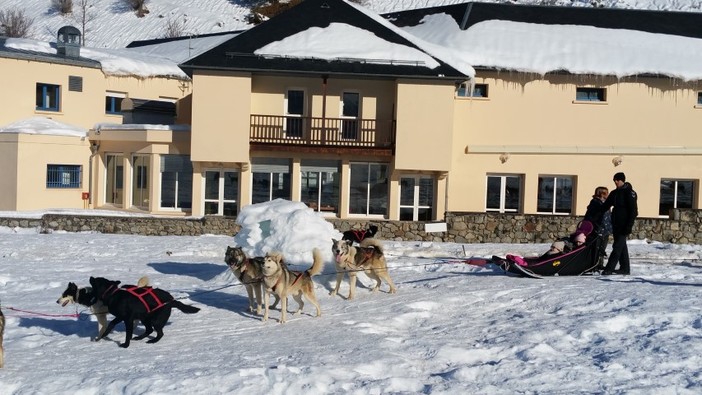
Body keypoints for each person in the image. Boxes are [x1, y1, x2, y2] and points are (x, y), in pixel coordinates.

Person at [600, 172, 638, 275]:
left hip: (624, 224)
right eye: (614, 180)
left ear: (622, 180)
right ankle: (625, 268)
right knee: (622, 246)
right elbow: (605, 206)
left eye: (617, 180)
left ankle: (609, 268)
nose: (615, 182)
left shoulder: (630, 193)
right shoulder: (614, 193)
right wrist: (596, 210)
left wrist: (629, 225)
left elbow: (633, 211)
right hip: (616, 224)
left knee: (617, 247)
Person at [584, 186, 613, 268]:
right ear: (602, 194)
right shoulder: (595, 202)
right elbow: (594, 216)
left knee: (602, 248)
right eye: (606, 193)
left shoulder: (605, 202)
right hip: (598, 229)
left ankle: (600, 263)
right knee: (597, 248)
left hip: (606, 229)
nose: (608, 194)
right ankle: (595, 264)